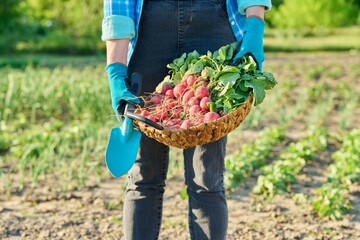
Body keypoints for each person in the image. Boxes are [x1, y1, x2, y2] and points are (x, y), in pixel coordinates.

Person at [102, 0, 271, 239]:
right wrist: (116, 69)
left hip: (212, 21)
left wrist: (255, 25)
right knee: (143, 176)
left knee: (207, 178)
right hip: (149, 28)